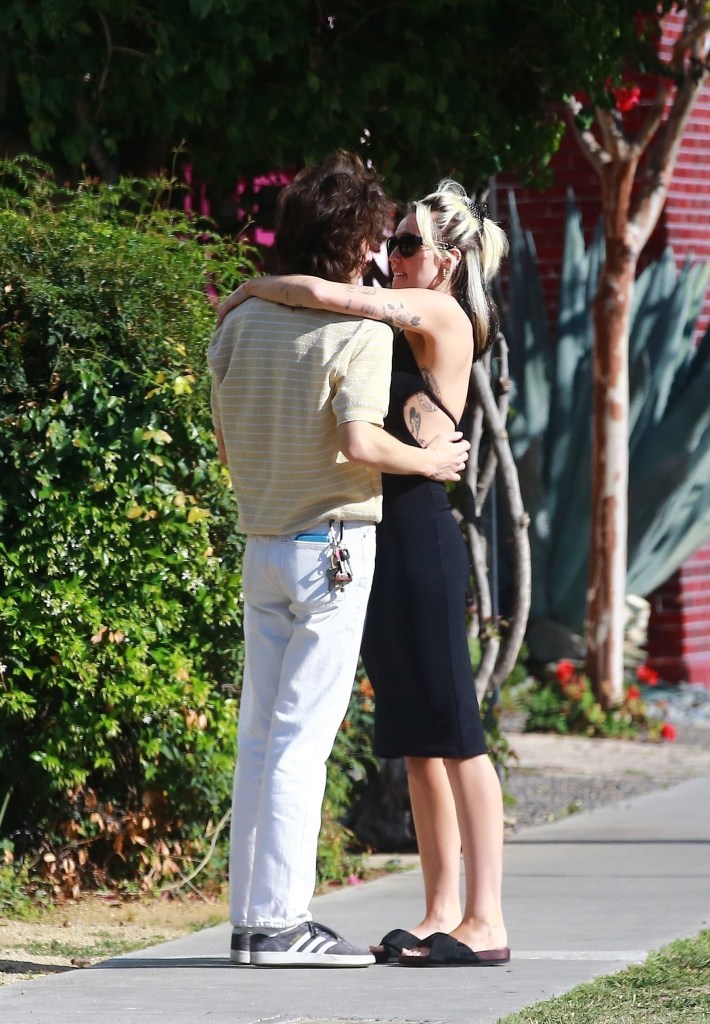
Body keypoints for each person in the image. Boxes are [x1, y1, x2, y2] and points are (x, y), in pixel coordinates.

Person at [216, 177, 511, 968]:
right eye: (391, 240)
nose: (391, 253)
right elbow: (329, 296)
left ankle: (487, 920)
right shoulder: (382, 310)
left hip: (420, 539)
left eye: (408, 243)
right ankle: (439, 907)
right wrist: (266, 286)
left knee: (459, 733)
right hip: (378, 535)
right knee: (416, 737)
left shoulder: (442, 314)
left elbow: (327, 293)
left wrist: (252, 284)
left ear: (446, 261)